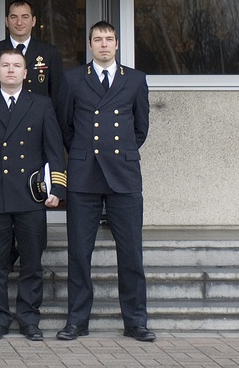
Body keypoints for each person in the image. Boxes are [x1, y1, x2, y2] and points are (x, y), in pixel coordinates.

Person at [56, 21, 154, 342]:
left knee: (131, 253)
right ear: (89, 44)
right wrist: (84, 153)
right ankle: (77, 321)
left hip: (123, 176)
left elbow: (140, 128)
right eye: (97, 39)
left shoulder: (136, 80)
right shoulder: (72, 79)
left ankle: (136, 322)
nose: (103, 44)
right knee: (79, 253)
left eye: (108, 39)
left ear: (117, 44)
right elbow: (66, 127)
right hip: (84, 175)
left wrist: (120, 153)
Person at [0, 49, 67, 341]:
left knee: (32, 263)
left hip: (30, 196)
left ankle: (29, 319)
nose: (10, 70)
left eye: (16, 66)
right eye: (5, 66)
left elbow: (54, 150)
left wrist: (58, 189)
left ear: (26, 73)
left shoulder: (42, 104)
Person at [0, 0, 65, 107]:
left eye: (25, 17)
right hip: (2, 117)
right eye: (14, 17)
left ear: (33, 21)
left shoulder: (49, 52)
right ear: (6, 21)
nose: (19, 22)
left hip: (38, 118)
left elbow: (57, 93)